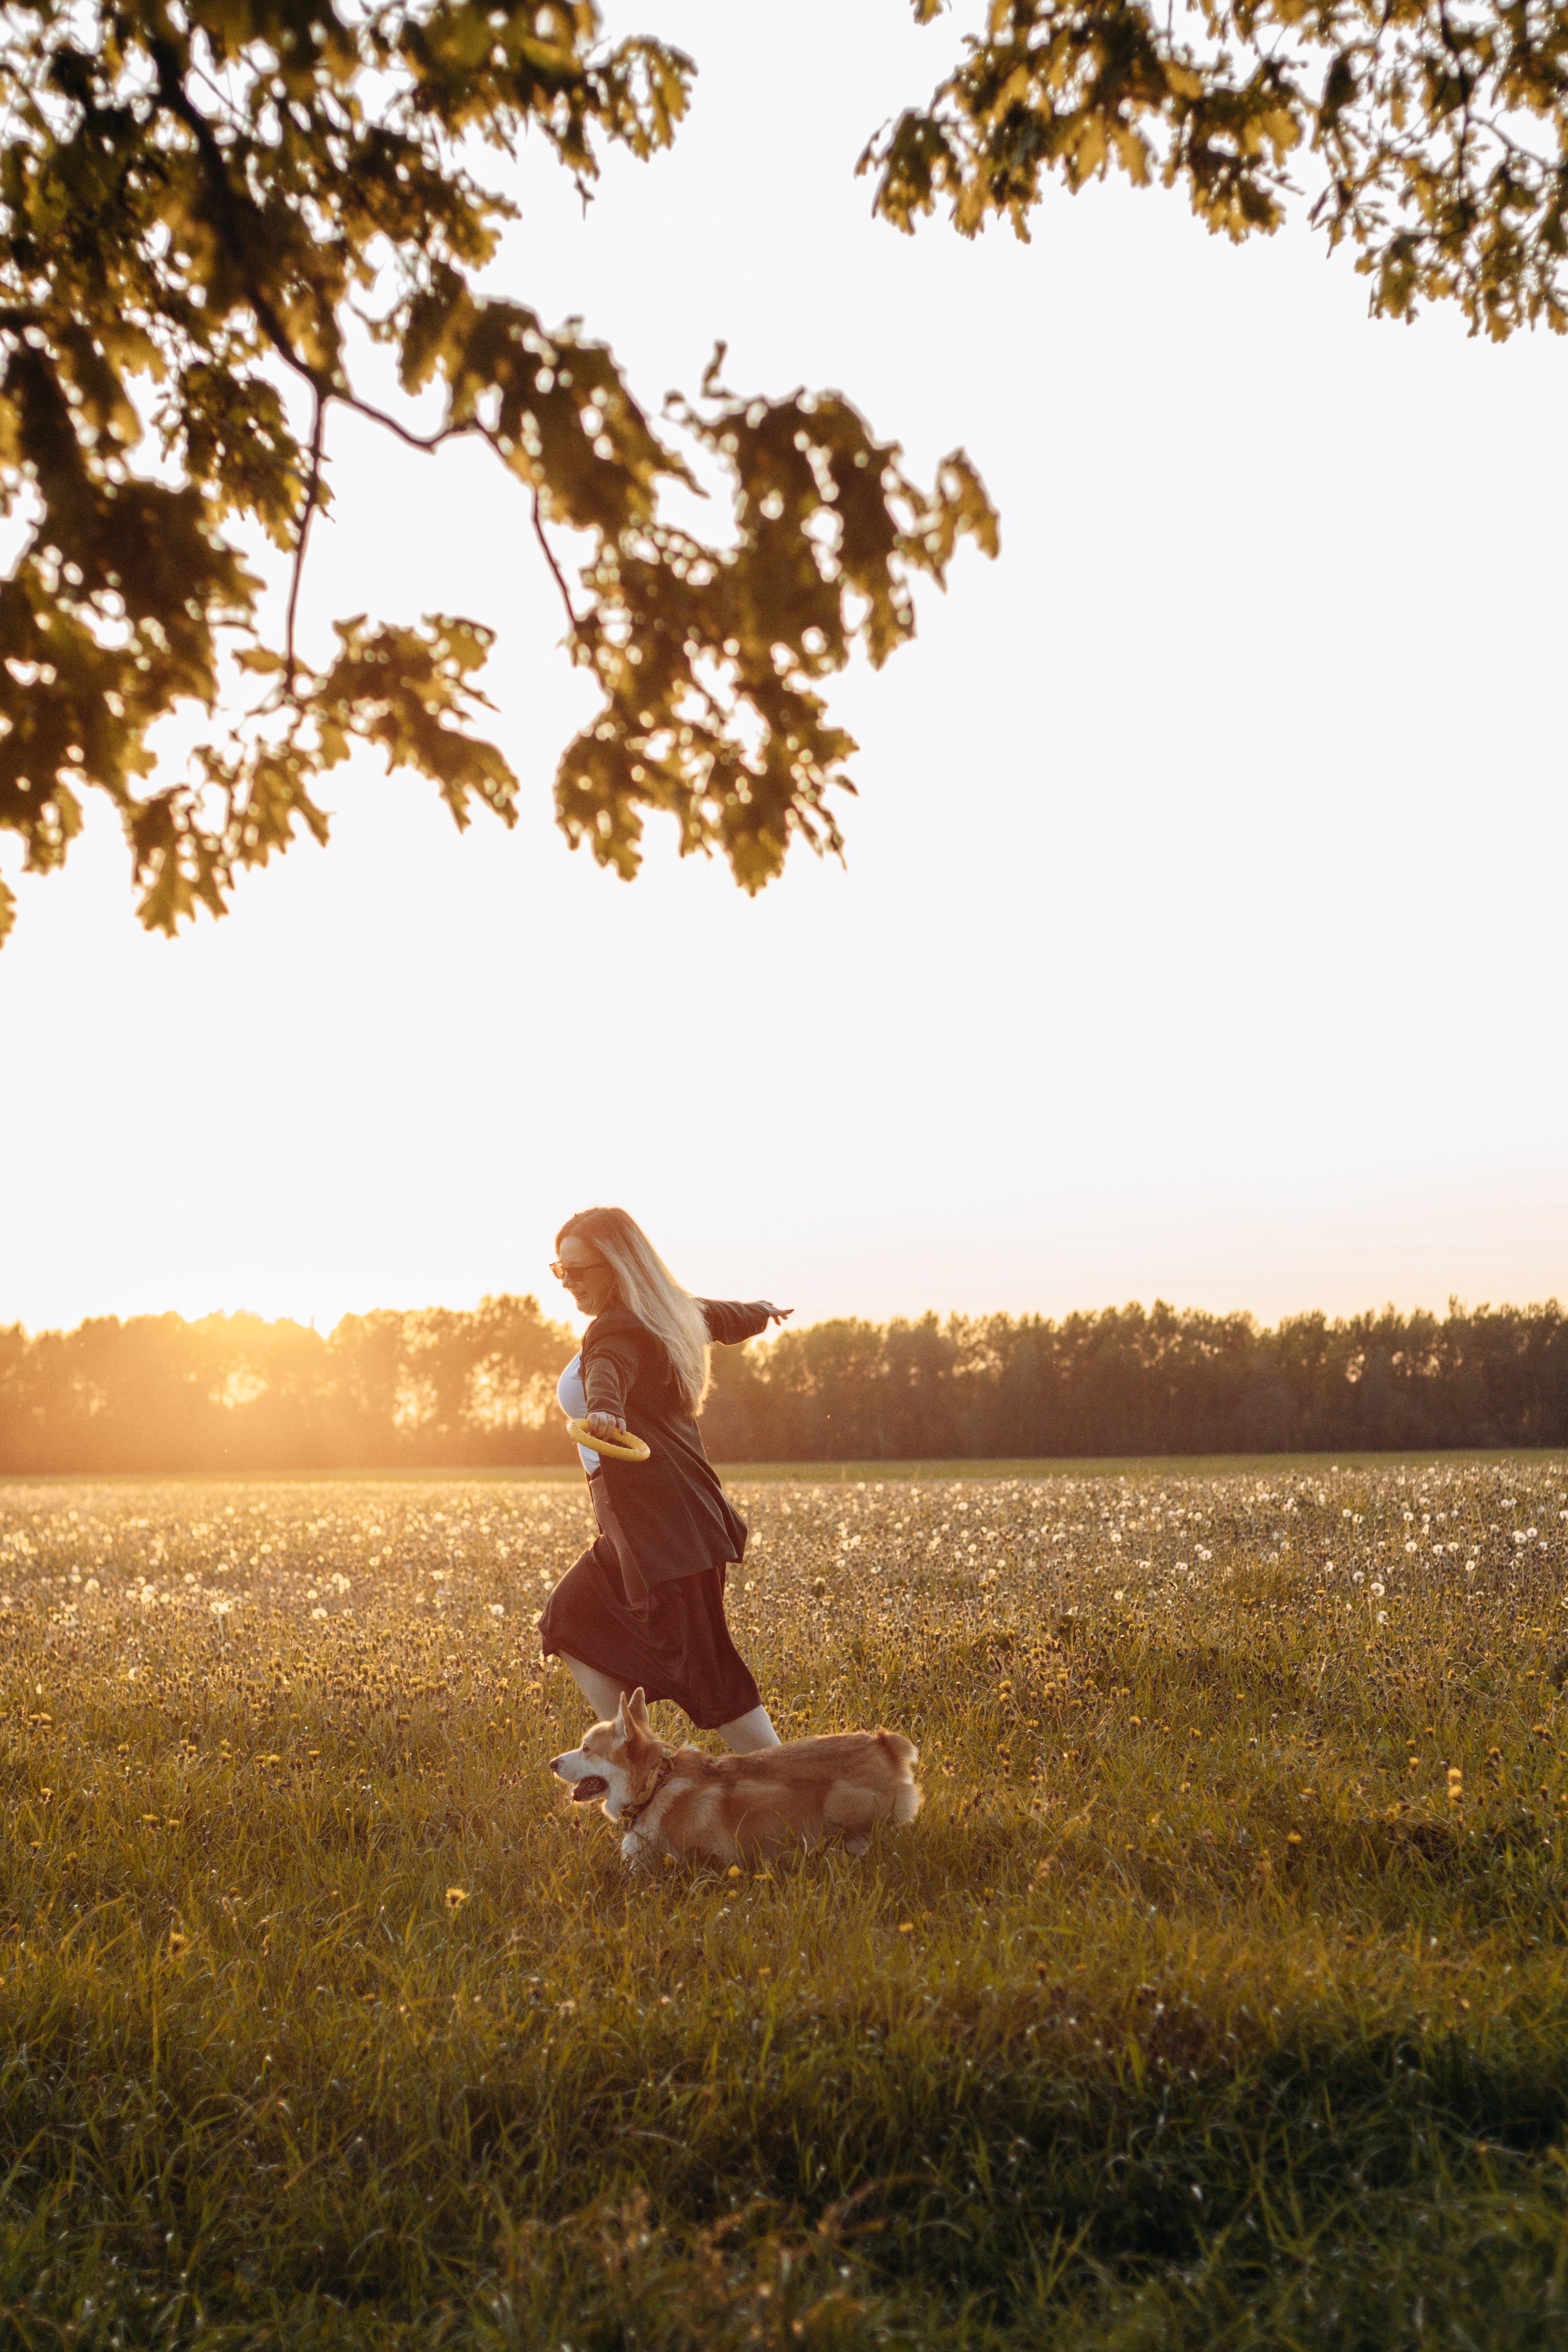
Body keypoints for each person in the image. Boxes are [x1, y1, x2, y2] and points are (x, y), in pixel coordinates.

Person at [538, 1206, 793, 1754]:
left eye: (580, 1270)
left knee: (712, 1682)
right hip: (648, 1529)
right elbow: (718, 1316)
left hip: (666, 1533)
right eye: (561, 1271)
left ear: (621, 1265)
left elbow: (607, 1367)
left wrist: (606, 1410)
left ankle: (793, 1789)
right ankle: (636, 1759)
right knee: (570, 1617)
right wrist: (760, 1311)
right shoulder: (667, 1314)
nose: (569, 1284)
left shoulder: (616, 1328)